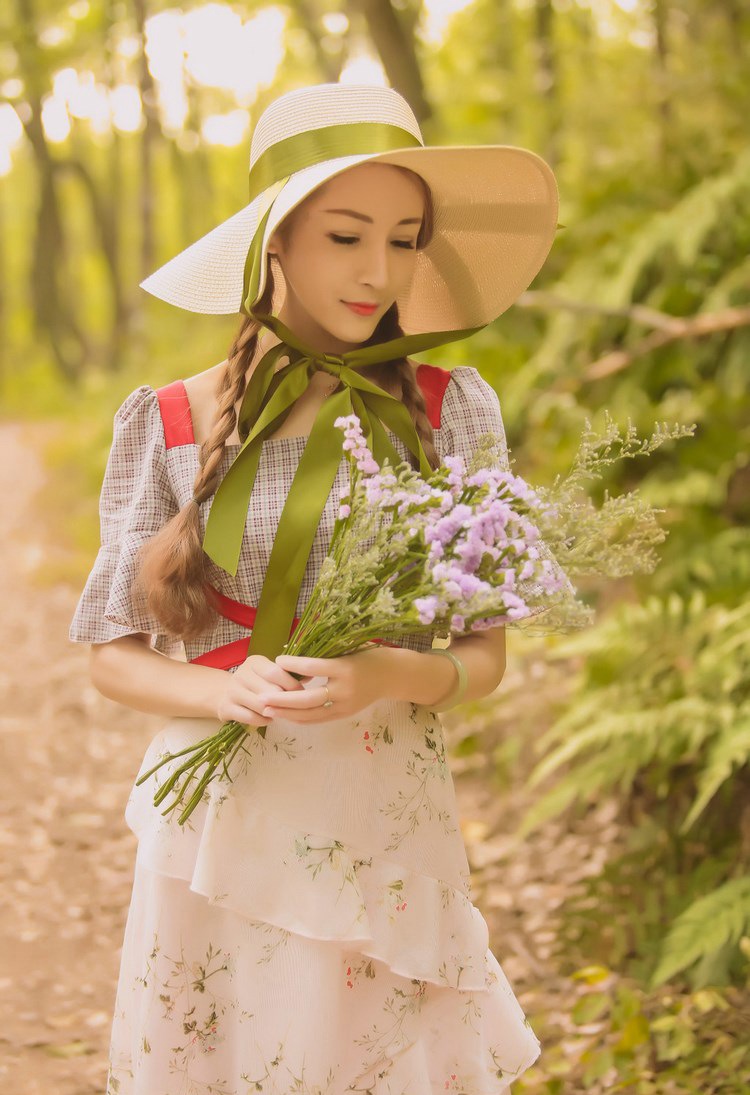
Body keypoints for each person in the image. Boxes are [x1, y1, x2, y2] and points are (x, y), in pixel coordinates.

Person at [69, 82, 558, 1094]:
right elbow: (112, 659)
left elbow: (485, 660)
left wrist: (385, 672)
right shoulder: (164, 420)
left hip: (383, 808)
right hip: (216, 813)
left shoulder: (450, 410)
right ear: (274, 241)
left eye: (405, 239)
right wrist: (218, 690)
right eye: (344, 235)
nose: (378, 272)